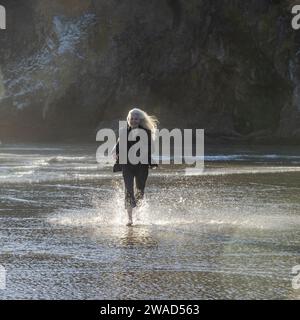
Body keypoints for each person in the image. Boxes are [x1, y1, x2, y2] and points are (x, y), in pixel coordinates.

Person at [112, 108, 159, 226]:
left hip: (141, 166)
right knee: (128, 190)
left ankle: (138, 216)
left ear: (140, 120)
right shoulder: (123, 131)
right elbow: (116, 146)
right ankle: (129, 218)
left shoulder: (147, 132)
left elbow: (152, 148)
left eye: (136, 118)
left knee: (140, 191)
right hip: (127, 165)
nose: (133, 120)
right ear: (128, 119)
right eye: (131, 118)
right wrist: (115, 152)